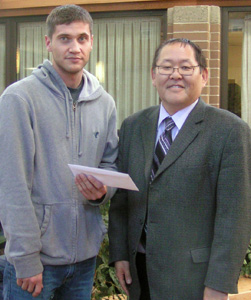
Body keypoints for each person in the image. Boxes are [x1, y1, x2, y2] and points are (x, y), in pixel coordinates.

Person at [108, 38, 251, 300]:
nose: (175, 75)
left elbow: (235, 217)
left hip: (194, 278)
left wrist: (219, 284)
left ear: (204, 75)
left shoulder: (229, 131)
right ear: (153, 75)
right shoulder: (133, 126)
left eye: (186, 67)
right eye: (166, 67)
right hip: (139, 274)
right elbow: (121, 197)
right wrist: (119, 254)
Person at [0, 4, 118, 300]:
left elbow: (111, 164)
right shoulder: (19, 98)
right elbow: (12, 185)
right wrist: (25, 258)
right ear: (48, 43)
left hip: (84, 260)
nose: (74, 47)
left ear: (92, 42)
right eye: (65, 38)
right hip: (35, 263)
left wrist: (104, 191)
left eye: (82, 38)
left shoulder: (104, 103)